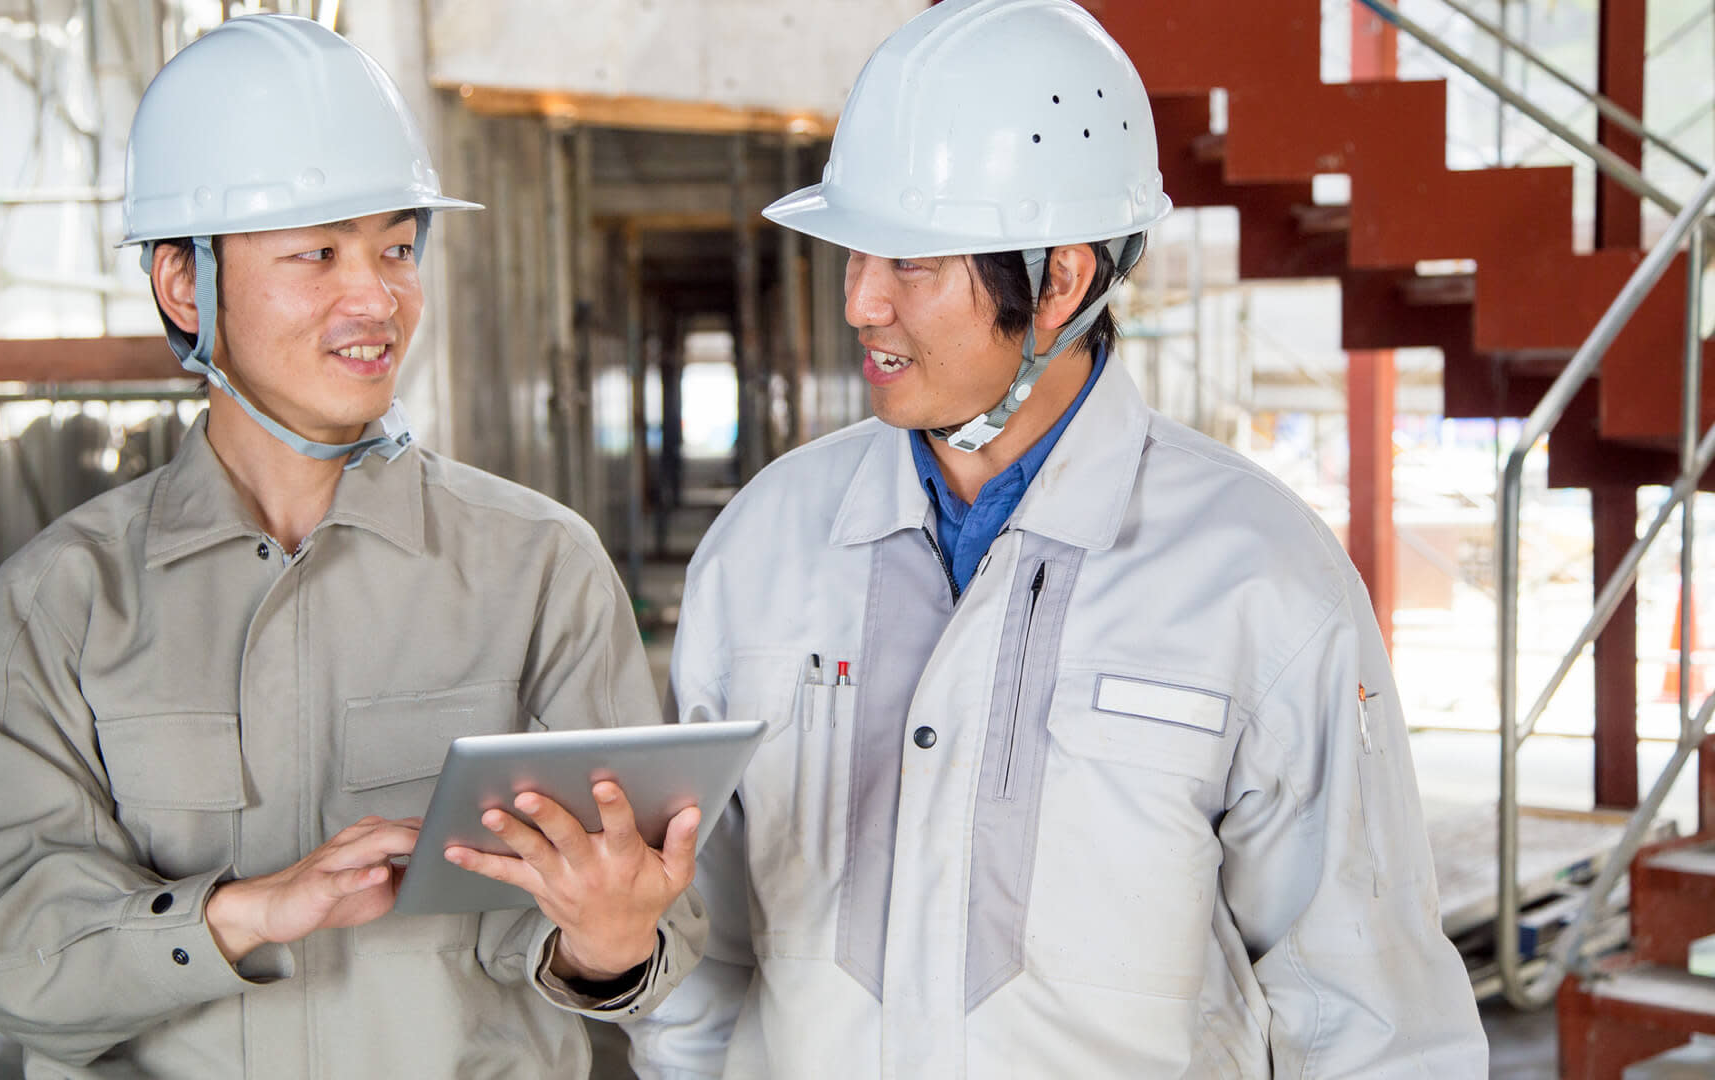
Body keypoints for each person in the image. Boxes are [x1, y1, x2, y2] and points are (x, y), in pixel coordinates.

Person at [624, 0, 1487, 1075]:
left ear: (1060, 281)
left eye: (913, 264)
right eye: (855, 253)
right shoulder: (761, 549)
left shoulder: (1258, 580)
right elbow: (703, 960)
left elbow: (1370, 1011)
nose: (861, 303)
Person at [0, 15, 703, 1078]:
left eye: (396, 247)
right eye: (318, 253)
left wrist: (612, 941)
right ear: (185, 285)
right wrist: (243, 916)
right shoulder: (58, 607)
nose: (375, 297)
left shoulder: (536, 569)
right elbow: (6, 953)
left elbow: (641, 933)